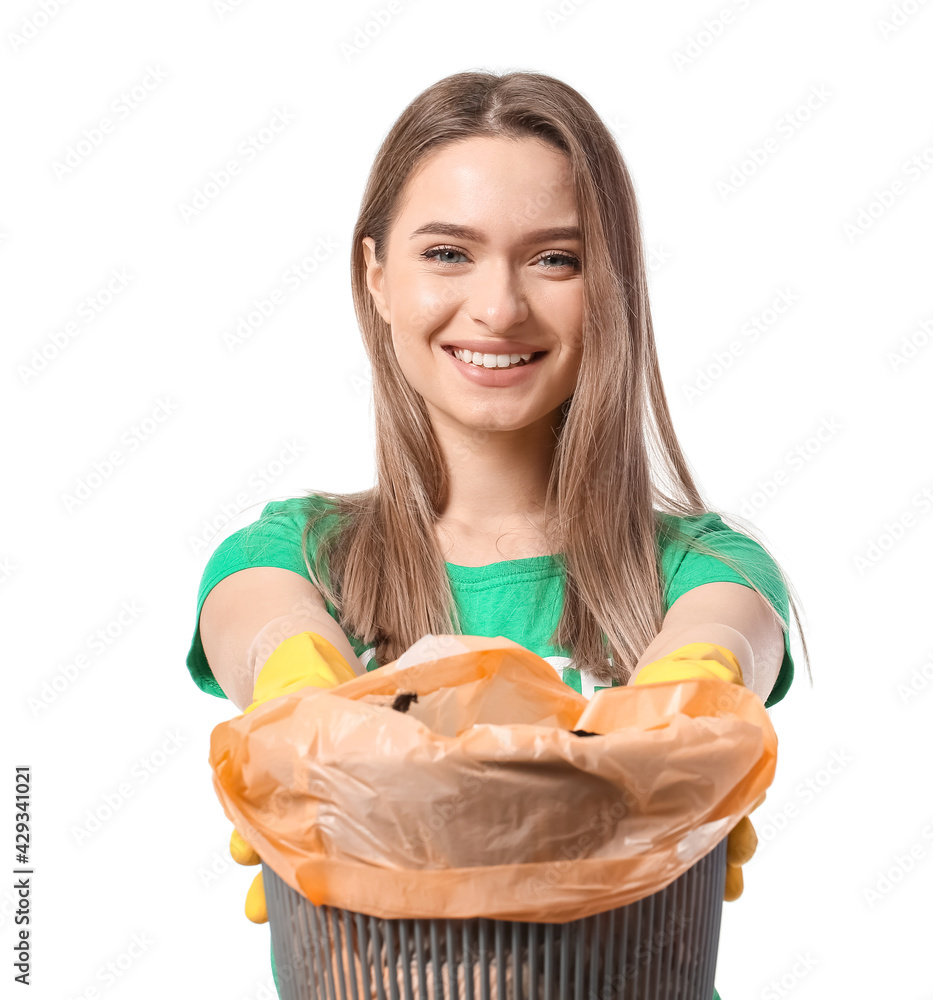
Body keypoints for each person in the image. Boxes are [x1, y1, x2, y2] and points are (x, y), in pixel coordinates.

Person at [185, 69, 810, 1000]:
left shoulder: (699, 570)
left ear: (611, 285)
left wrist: (688, 724)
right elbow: (270, 634)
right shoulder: (299, 557)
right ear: (376, 277)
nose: (499, 307)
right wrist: (298, 710)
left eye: (554, 258)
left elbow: (721, 642)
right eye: (447, 253)